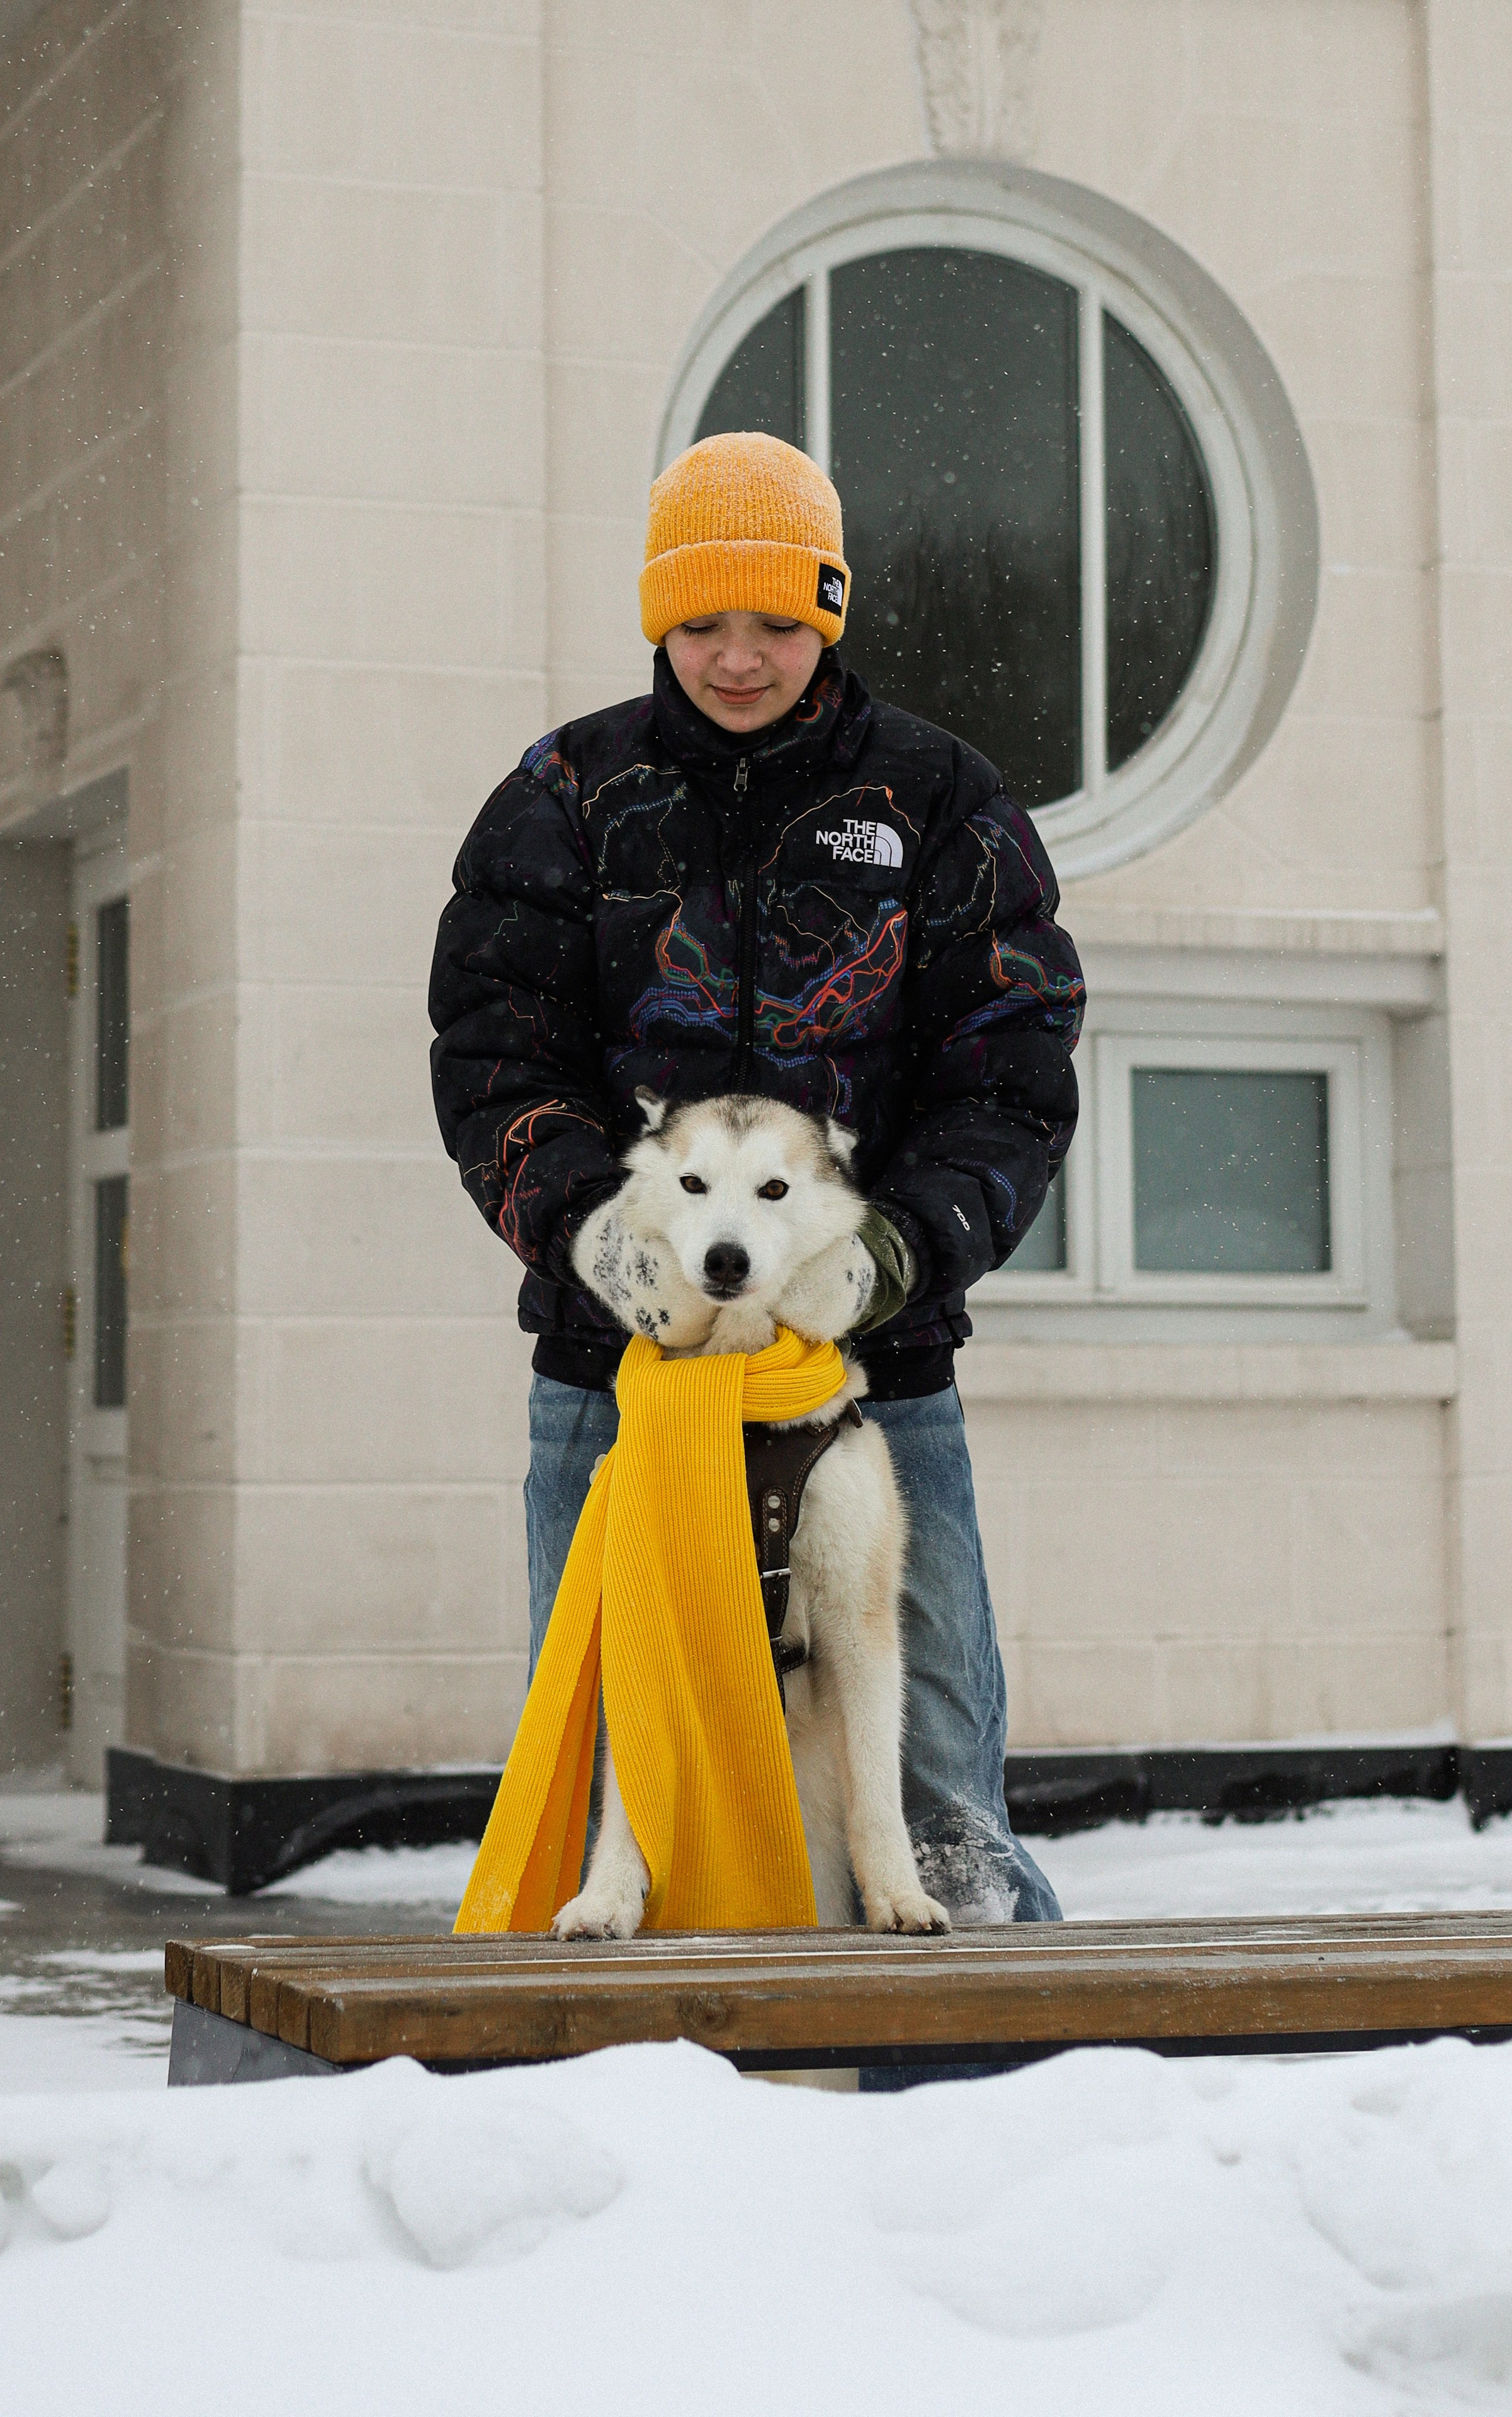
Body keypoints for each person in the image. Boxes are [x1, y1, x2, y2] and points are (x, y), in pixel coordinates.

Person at [429, 429, 1085, 1925]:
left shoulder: (937, 799)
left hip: (875, 1382)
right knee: (616, 1770)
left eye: (778, 622)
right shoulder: (566, 796)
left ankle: (981, 2100)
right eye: (705, 621)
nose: (739, 657)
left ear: (831, 613)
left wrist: (899, 1254)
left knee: (924, 1795)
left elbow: (1011, 1059)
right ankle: (610, 2112)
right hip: (619, 1383)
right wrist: (593, 1231)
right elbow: (492, 1047)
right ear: (658, 615)